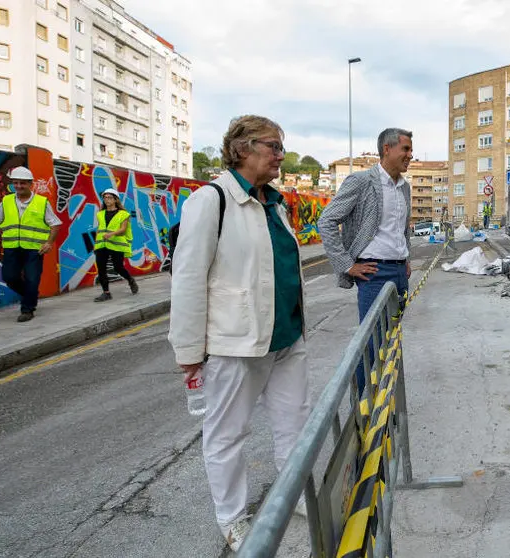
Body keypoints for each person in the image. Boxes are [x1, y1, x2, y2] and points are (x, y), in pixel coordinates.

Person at [167, 115, 310, 551]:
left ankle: (298, 494)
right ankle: (232, 517)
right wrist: (189, 350)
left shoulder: (275, 202)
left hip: (287, 336)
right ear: (242, 149)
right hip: (236, 342)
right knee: (227, 434)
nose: (280, 155)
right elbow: (188, 278)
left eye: (281, 147)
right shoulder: (212, 201)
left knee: (295, 424)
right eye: (273, 146)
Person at [318, 128, 413, 394]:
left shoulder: (404, 187)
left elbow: (401, 227)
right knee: (370, 342)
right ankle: (362, 407)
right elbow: (326, 221)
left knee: (390, 340)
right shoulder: (361, 182)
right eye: (405, 149)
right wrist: (346, 264)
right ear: (387, 149)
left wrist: (406, 257)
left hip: (399, 272)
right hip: (374, 273)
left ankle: (384, 400)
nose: (410, 155)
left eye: (410, 149)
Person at [0, 166, 61, 322]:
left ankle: (27, 309)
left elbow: (55, 224)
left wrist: (49, 243)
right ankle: (30, 294)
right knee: (9, 277)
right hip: (12, 247)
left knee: (32, 279)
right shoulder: (7, 201)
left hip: (34, 249)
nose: (18, 186)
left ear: (30, 184)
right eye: (15, 183)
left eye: (22, 183)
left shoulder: (41, 202)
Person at [92, 188, 138, 301]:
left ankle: (130, 280)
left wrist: (111, 234)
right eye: (105, 197)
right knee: (101, 269)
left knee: (118, 267)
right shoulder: (100, 213)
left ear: (115, 200)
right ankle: (106, 293)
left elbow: (123, 229)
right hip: (101, 245)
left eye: (109, 197)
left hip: (116, 244)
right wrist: (96, 242)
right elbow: (99, 228)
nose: (107, 200)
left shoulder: (124, 214)